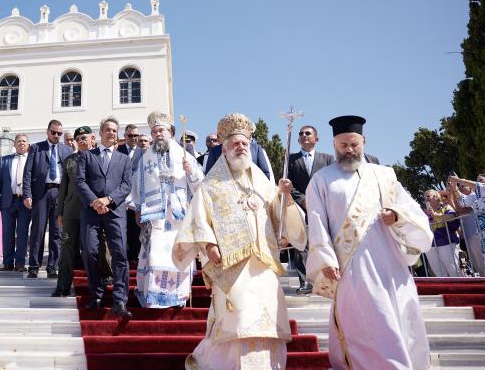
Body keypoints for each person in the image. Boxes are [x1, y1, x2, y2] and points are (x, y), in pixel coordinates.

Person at [173, 112, 307, 370]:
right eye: (235, 143)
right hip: (231, 267)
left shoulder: (262, 182)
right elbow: (198, 218)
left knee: (266, 319)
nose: (241, 147)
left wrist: (285, 197)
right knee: (240, 317)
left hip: (264, 264)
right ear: (224, 149)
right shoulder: (211, 184)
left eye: (245, 144)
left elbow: (278, 215)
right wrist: (210, 246)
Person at [305, 115, 432, 369]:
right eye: (343, 145)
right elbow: (317, 222)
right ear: (334, 145)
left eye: (354, 144)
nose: (349, 150)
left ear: (363, 141)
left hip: (390, 265)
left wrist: (397, 216)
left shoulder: (384, 175)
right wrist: (327, 259)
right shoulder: (322, 180)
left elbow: (411, 211)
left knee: (397, 321)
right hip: (351, 270)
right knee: (364, 325)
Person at [132, 111, 204, 308]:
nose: (158, 134)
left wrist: (190, 171)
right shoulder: (146, 157)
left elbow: (199, 186)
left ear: (170, 132)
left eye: (161, 130)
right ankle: (155, 297)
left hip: (179, 215)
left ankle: (179, 296)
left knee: (178, 254)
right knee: (156, 253)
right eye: (154, 131)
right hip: (156, 215)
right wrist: (138, 209)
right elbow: (137, 186)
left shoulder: (183, 154)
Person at [75, 116, 133, 318]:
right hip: (91, 212)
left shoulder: (124, 159)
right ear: (99, 133)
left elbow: (127, 185)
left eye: (115, 131)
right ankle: (96, 295)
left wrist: (108, 200)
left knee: (120, 254)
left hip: (115, 211)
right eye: (108, 130)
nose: (111, 133)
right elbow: (80, 182)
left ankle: (120, 300)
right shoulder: (86, 156)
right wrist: (95, 202)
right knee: (90, 252)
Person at [53, 126, 100, 296]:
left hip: (94, 210)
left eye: (84, 138)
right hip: (71, 211)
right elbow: (63, 187)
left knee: (93, 249)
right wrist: (60, 212)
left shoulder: (99, 157)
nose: (81, 141)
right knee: (66, 248)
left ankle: (96, 287)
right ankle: (62, 286)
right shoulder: (69, 160)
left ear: (92, 139)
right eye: (78, 138)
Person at [287, 125, 334, 295]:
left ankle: (329, 279)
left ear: (316, 139)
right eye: (301, 133)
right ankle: (305, 282)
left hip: (324, 208)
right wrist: (302, 200)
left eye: (308, 133)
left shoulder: (328, 159)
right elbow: (288, 184)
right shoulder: (290, 160)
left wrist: (319, 200)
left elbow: (333, 183)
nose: (304, 135)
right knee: (302, 246)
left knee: (326, 242)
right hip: (300, 210)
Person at [23, 120, 72, 278]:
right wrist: (27, 194)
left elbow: (72, 175)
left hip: (60, 193)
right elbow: (28, 173)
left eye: (59, 133)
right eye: (54, 132)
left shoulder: (67, 149)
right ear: (47, 131)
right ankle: (34, 266)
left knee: (57, 232)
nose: (56, 135)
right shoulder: (36, 148)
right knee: (37, 231)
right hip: (41, 193)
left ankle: (53, 267)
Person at [0, 133, 31, 271]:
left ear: (28, 145)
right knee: (7, 233)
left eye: (24, 141)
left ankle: (20, 263)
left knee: (22, 233)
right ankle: (7, 263)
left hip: (25, 202)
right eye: (19, 141)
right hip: (8, 201)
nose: (21, 143)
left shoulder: (32, 160)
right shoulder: (5, 160)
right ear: (14, 144)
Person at [449, 171, 485, 275]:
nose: (477, 183)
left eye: (481, 180)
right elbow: (463, 201)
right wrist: (455, 187)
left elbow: (478, 186)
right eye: (477, 180)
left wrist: (457, 180)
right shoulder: (476, 196)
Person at [423, 189, 462, 277]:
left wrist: (437, 216)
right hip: (431, 245)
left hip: (446, 241)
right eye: (425, 197)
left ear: (436, 197)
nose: (426, 198)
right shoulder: (424, 212)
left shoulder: (446, 206)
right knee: (439, 272)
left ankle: (461, 289)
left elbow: (453, 216)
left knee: (454, 270)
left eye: (428, 196)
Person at [204, 136, 274, 183]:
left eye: (244, 143)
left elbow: (265, 174)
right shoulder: (216, 150)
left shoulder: (256, 148)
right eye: (236, 143)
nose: (241, 147)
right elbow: (209, 176)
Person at [118, 124, 141, 262]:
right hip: (121, 196)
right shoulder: (118, 150)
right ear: (125, 136)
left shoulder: (143, 151)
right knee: (121, 228)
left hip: (137, 196)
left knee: (136, 227)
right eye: (130, 135)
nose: (133, 138)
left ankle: (134, 255)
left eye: (135, 135)